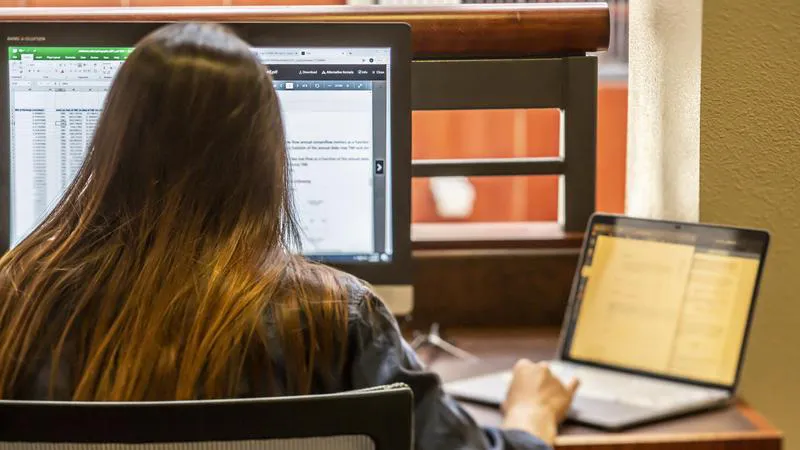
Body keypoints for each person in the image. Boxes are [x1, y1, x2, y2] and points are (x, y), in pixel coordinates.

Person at [0, 23, 577, 449]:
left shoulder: (13, 302)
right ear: (267, 162)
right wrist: (529, 416)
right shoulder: (338, 320)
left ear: (112, 145)